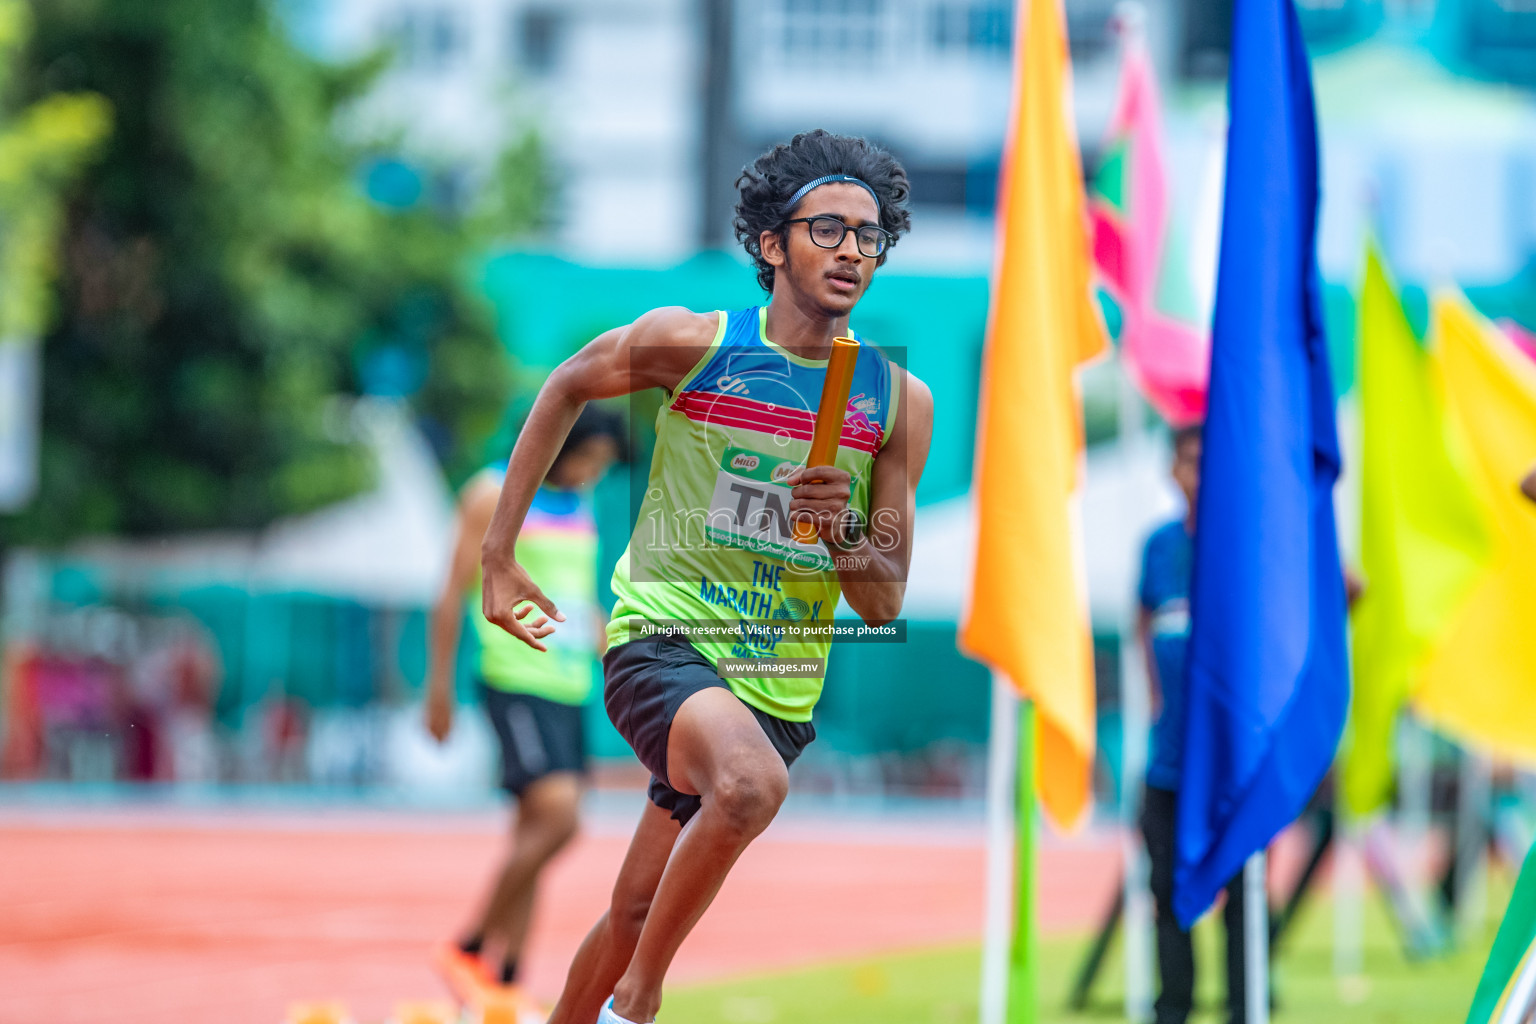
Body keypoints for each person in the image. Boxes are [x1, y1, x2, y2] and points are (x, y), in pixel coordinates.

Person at [477, 130, 934, 1024]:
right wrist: (499, 553)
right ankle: (640, 1003)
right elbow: (566, 386)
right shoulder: (695, 347)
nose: (851, 251)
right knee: (752, 788)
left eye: (868, 236)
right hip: (664, 643)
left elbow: (880, 599)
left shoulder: (893, 402)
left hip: (777, 695)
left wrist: (841, 525)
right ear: (771, 243)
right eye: (827, 229)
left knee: (635, 910)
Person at [425, 405, 623, 1007]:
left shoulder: (580, 506)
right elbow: (450, 593)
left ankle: (504, 978)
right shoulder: (492, 493)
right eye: (589, 460)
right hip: (514, 674)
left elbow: (574, 597)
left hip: (568, 685)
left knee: (533, 831)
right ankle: (467, 945)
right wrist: (438, 690)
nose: (593, 475)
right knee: (560, 818)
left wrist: (610, 641)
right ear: (564, 446)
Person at [1137, 423, 1258, 1024]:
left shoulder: (1247, 544)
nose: (1201, 475)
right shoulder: (1159, 547)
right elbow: (1144, 618)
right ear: (1173, 472)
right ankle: (1173, 1009)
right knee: (1166, 894)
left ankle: (1245, 1007)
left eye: (1213, 463)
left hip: (1234, 765)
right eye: (1191, 462)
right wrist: (1157, 693)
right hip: (1169, 759)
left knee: (1244, 898)